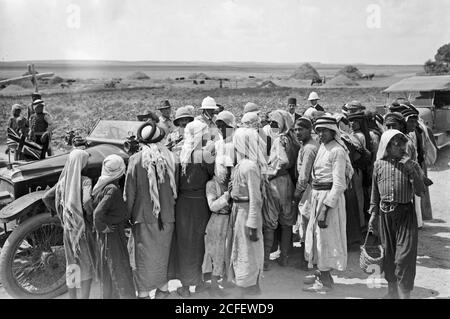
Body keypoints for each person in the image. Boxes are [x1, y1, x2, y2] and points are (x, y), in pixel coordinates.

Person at [368, 130, 425, 299]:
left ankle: (404, 295)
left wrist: (412, 171)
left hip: (405, 215)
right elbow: (374, 193)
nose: (401, 147)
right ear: (387, 145)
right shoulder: (378, 165)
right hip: (385, 215)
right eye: (396, 143)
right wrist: (373, 215)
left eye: (403, 143)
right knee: (389, 254)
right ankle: (392, 292)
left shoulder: (411, 164)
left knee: (404, 258)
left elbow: (421, 192)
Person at [124, 122, 177, 299]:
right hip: (168, 216)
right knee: (162, 254)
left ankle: (145, 293)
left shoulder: (135, 160)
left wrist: (128, 216)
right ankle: (163, 289)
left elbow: (129, 193)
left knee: (143, 258)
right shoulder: (171, 158)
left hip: (143, 217)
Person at [303, 116, 353, 293]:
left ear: (333, 131)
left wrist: (325, 207)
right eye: (319, 130)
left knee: (326, 239)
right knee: (317, 237)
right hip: (318, 196)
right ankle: (321, 273)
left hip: (329, 200)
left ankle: (326, 282)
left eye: (325, 130)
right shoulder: (323, 147)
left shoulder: (337, 151)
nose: (321, 134)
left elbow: (339, 184)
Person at [42, 149, 97, 299]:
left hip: (68, 227)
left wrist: (61, 213)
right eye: (86, 161)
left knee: (72, 264)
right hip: (82, 228)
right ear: (82, 164)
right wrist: (90, 215)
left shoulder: (63, 181)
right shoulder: (85, 180)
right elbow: (86, 202)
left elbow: (46, 197)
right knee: (86, 264)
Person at [173, 120, 215, 298]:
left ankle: (185, 284)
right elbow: (214, 174)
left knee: (184, 243)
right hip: (200, 203)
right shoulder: (205, 153)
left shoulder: (178, 151)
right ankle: (198, 282)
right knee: (199, 242)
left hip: (183, 203)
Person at [202, 111, 236, 297]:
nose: (222, 128)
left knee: (227, 249)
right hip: (218, 216)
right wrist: (226, 194)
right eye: (219, 125)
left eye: (226, 125)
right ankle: (214, 283)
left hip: (229, 213)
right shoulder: (217, 144)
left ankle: (226, 279)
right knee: (215, 251)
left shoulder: (237, 143)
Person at [91, 154, 135, 299]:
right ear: (121, 170)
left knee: (109, 268)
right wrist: (103, 227)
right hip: (112, 235)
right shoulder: (113, 190)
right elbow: (97, 214)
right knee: (119, 268)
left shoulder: (104, 185)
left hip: (110, 235)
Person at [228, 127, 266, 296]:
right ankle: (246, 285)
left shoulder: (249, 167)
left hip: (246, 212)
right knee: (240, 248)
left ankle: (249, 287)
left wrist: (252, 223)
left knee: (248, 250)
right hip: (238, 211)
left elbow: (255, 198)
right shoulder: (241, 165)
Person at [263, 110, 299, 269]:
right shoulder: (292, 139)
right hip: (288, 183)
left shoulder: (279, 140)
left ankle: (265, 260)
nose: (271, 125)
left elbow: (283, 161)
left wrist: (272, 174)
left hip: (277, 182)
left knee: (270, 222)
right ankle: (284, 257)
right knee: (286, 222)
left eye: (275, 123)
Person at [293, 117, 319, 270]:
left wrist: (297, 192)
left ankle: (307, 260)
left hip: (308, 189)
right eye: (295, 129)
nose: (298, 132)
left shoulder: (309, 148)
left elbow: (304, 175)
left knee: (306, 223)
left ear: (310, 130)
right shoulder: (307, 145)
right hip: (309, 188)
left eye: (301, 129)